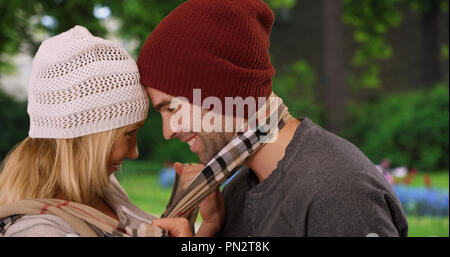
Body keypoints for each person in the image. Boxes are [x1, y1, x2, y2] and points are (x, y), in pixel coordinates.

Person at [137, 0, 409, 236]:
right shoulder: (239, 190)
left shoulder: (339, 193)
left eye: (171, 108)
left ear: (219, 88)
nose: (168, 132)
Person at [0, 25, 222, 237]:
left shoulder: (101, 188)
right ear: (90, 136)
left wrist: (209, 225)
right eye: (129, 133)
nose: (134, 152)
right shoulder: (38, 230)